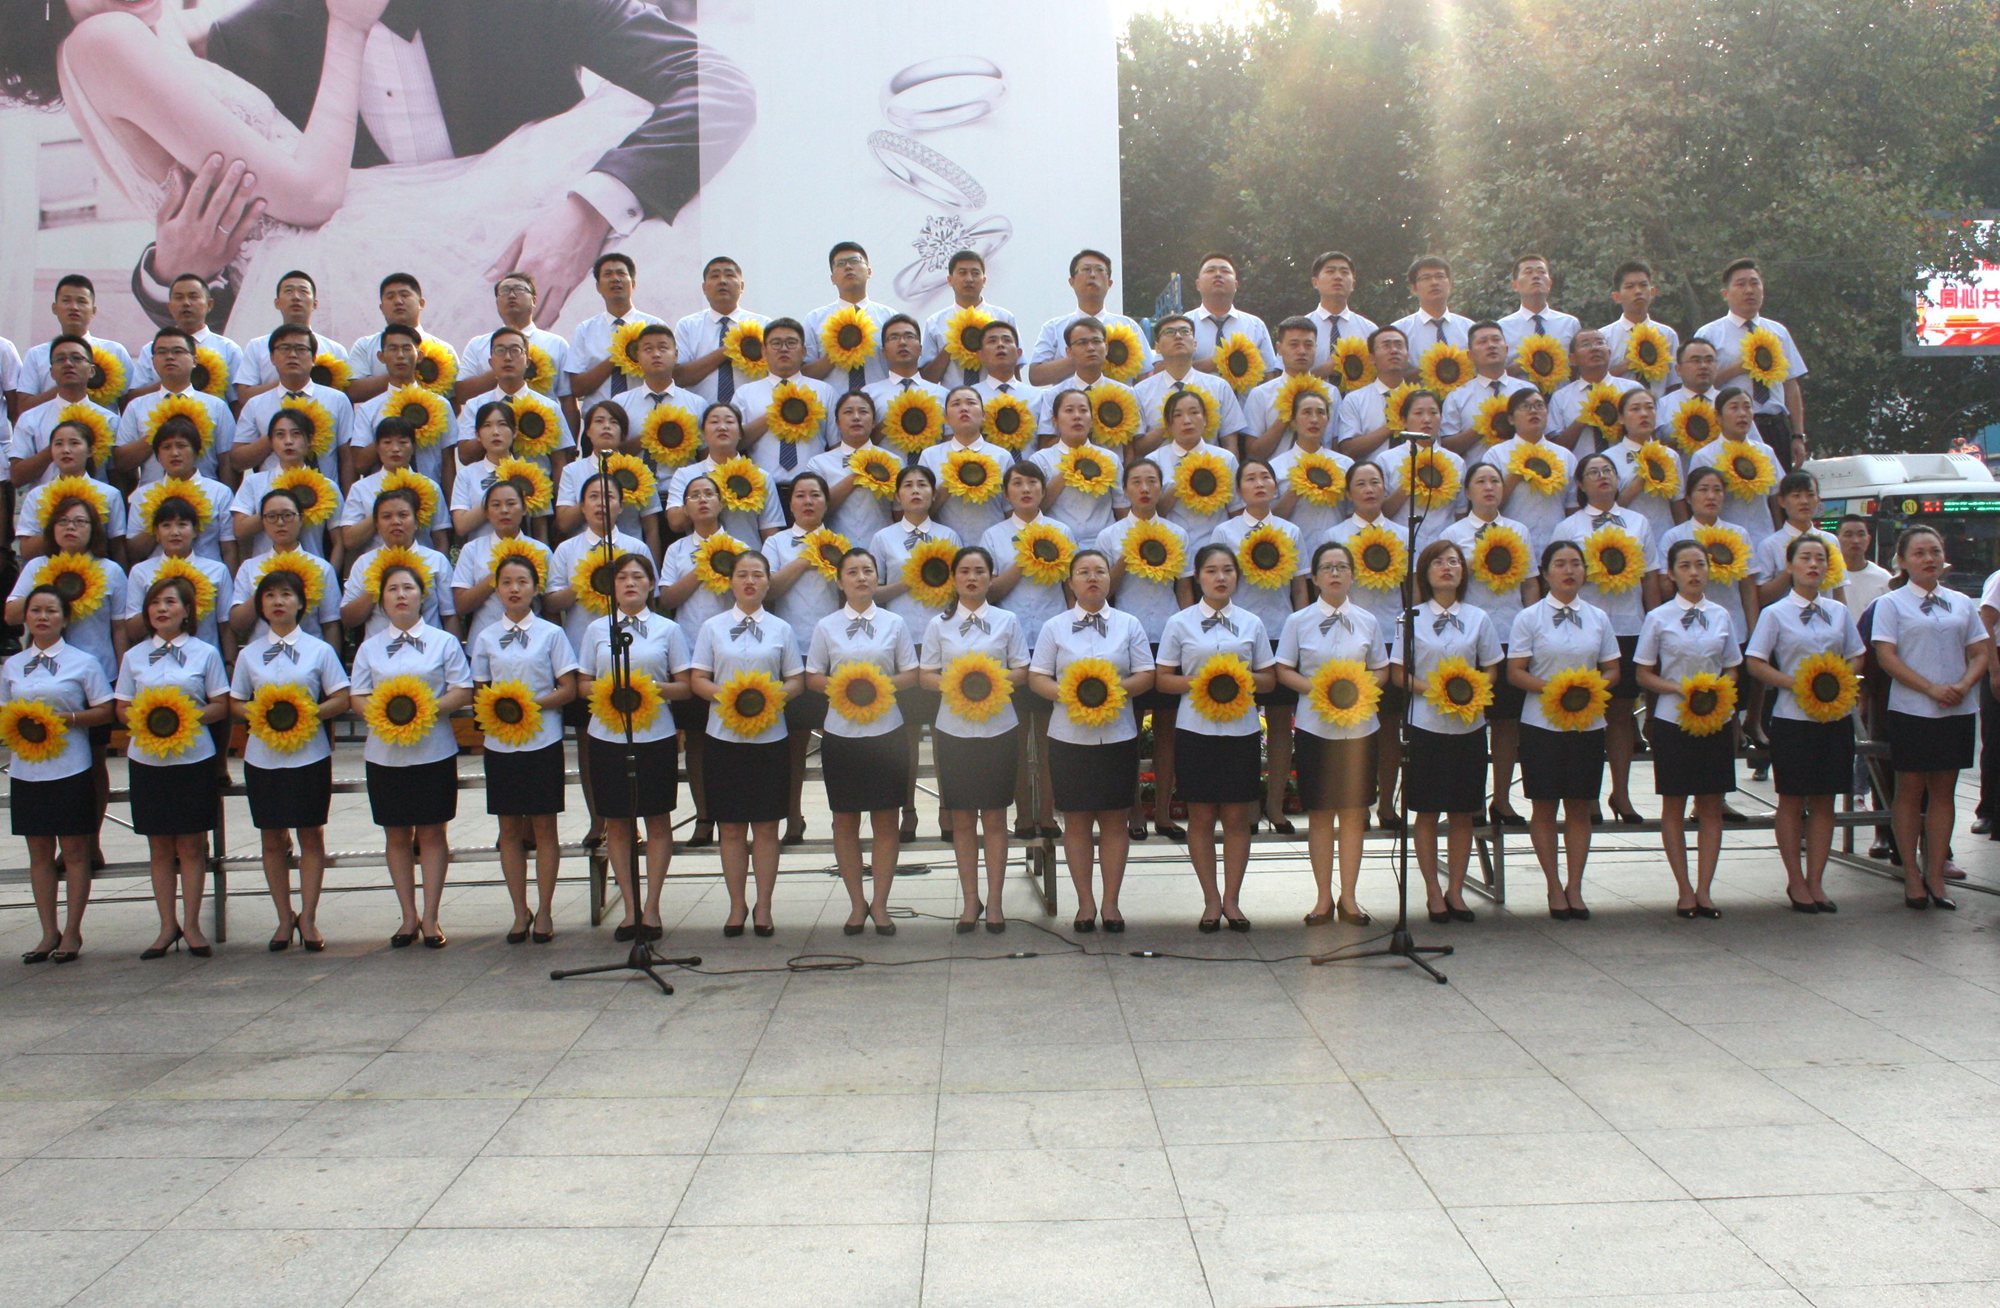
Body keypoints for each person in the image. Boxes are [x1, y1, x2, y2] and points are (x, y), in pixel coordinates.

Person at [350, 562, 474, 948]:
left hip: (433, 750)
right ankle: (408, 916)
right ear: (381, 600)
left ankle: (432, 917)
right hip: (385, 755)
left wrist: (424, 709)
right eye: (392, 589)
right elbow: (358, 695)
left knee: (433, 831)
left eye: (408, 588)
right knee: (396, 833)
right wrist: (384, 714)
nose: (401, 595)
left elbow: (462, 689)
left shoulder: (443, 642)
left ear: (423, 597)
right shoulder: (370, 647)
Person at [1030, 550, 1154, 931]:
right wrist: (1072, 695)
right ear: (1070, 582)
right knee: (1077, 821)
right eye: (1083, 572)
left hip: (1117, 735)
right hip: (1069, 737)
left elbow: (1146, 673)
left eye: (1100, 571)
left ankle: (1111, 904)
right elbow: (1038, 677)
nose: (1092, 578)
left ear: (1110, 580)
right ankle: (1085, 904)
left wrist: (1109, 692)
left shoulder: (1129, 624)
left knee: (1115, 820)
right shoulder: (1055, 627)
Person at [1155, 543, 1276, 932]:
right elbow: (1163, 679)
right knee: (1202, 816)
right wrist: (1202, 681)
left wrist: (1240, 677)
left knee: (1238, 816)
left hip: (1241, 730)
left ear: (1237, 576)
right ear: (1198, 577)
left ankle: (1233, 900)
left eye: (1227, 570)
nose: (1220, 577)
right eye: (1211, 571)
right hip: (1196, 729)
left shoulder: (1252, 623)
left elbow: (1269, 679)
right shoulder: (1180, 623)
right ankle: (1210, 900)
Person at [8, 491, 131, 865]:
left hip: (98, 674)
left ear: (94, 529)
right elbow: (12, 614)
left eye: (80, 522)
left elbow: (120, 628)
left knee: (94, 759)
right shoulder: (37, 566)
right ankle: (53, 839)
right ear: (51, 528)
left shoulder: (110, 570)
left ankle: (89, 840)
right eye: (63, 521)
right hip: (43, 678)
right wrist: (50, 592)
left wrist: (123, 677)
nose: (71, 528)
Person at [230, 569, 349, 951]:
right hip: (263, 758)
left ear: (301, 603)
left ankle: (309, 918)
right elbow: (235, 701)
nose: (278, 602)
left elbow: (341, 697)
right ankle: (284, 918)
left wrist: (308, 714)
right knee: (271, 838)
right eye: (269, 596)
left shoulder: (319, 650)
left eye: (285, 594)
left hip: (309, 755)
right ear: (260, 606)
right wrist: (260, 714)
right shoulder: (249, 654)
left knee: (310, 835)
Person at [1871, 526, 1987, 911]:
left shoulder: (1960, 602)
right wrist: (1930, 688)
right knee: (1909, 788)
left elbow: (1980, 651)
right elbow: (1886, 657)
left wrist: (1963, 684)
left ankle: (1936, 874)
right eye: (1919, 553)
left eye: (1935, 551)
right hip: (1912, 708)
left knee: (1943, 791)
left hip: (1956, 707)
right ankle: (1911, 875)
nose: (1929, 559)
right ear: (1903, 561)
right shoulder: (1891, 604)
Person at [1745, 534, 1864, 910]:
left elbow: (1857, 654)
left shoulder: (1838, 611)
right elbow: (1756, 661)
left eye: (1820, 559)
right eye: (1806, 558)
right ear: (1791, 566)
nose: (1813, 565)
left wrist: (1840, 678)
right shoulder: (1775, 613)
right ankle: (1795, 880)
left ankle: (1816, 880)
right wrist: (1793, 683)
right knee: (1792, 799)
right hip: (1793, 717)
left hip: (1835, 716)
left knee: (1826, 799)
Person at [580, 552, 691, 944]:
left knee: (657, 819)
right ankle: (629, 909)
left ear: (651, 584)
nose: (629, 583)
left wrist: (648, 689)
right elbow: (583, 683)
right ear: (611, 586)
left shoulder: (667, 629)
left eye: (638, 576)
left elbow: (685, 685)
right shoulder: (597, 629)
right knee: (617, 820)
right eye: (622, 577)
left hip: (655, 734)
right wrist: (612, 690)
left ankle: (652, 907)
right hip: (608, 735)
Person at [692, 552, 804, 937]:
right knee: (732, 827)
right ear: (731, 582)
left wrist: (769, 698)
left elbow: (796, 680)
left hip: (769, 738)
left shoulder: (781, 629)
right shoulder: (712, 627)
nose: (750, 581)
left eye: (758, 575)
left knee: (767, 826)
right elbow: (698, 678)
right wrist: (729, 698)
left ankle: (765, 905)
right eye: (743, 575)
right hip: (724, 738)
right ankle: (737, 904)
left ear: (768, 583)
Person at [117, 576, 230, 959]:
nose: (161, 609)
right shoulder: (134, 657)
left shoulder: (205, 653)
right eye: (155, 603)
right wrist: (146, 717)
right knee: (160, 846)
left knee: (192, 845)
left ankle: (193, 925)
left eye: (170, 602)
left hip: (193, 758)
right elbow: (121, 706)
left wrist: (186, 716)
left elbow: (220, 704)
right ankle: (167, 926)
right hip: (148, 761)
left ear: (187, 611)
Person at [1277, 542, 1388, 925]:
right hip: (1316, 728)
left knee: (1354, 813)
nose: (1335, 573)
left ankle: (1350, 898)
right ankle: (1323, 898)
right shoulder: (1298, 621)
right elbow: (1284, 669)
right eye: (1327, 567)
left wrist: (1359, 688)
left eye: (1342, 567)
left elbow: (1382, 668)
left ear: (1353, 575)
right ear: (1314, 578)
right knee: (1321, 813)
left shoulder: (1368, 620)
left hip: (1360, 729)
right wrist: (1320, 690)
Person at [809, 549, 920, 934]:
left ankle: (881, 904)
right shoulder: (826, 626)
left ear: (876, 579)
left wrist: (876, 686)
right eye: (853, 572)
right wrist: (845, 687)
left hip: (886, 732)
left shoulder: (894, 623)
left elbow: (911, 673)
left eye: (868, 571)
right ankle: (857, 904)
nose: (861, 578)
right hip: (841, 733)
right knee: (845, 820)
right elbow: (812, 676)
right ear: (840, 581)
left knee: (886, 819)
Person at [3, 586, 116, 965]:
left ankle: (71, 931)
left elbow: (104, 710)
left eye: (51, 611)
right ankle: (47, 930)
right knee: (38, 852)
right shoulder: (13, 665)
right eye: (35, 610)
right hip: (27, 769)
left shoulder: (83, 662)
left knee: (74, 851)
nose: (42, 617)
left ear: (65, 619)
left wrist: (67, 719)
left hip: (71, 766)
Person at [1509, 539, 1620, 920]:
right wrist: (1554, 690)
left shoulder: (1598, 617)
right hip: (1541, 723)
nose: (1569, 570)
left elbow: (1612, 668)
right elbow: (1516, 671)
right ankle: (1553, 886)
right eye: (1560, 564)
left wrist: (1589, 689)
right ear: (1544, 573)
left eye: (1575, 563)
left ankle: (1575, 885)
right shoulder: (1529, 618)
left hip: (1588, 722)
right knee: (1544, 805)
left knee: (1579, 805)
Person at [471, 552, 579, 944]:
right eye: (506, 582)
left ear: (535, 588)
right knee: (508, 828)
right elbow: (480, 690)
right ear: (496, 589)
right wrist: (503, 711)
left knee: (545, 826)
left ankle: (545, 909)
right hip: (501, 744)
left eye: (522, 582)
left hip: (542, 740)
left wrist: (530, 706)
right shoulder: (486, 637)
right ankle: (520, 910)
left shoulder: (551, 634)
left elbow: (568, 688)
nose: (514, 589)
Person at [922, 547, 1030, 932]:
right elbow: (925, 675)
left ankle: (996, 902)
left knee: (996, 816)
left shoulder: (1007, 621)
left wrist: (990, 681)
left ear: (990, 578)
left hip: (999, 727)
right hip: (953, 729)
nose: (972, 578)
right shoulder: (938, 624)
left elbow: (1022, 670)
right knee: (963, 818)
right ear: (953, 578)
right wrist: (958, 684)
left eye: (980, 571)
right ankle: (971, 900)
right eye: (965, 571)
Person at [1396, 541, 1502, 924]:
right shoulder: (1410, 618)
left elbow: (1491, 667)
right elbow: (1399, 673)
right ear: (1425, 572)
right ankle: (1431, 890)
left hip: (1469, 726)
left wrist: (1470, 691)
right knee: (1426, 812)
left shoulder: (1478, 618)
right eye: (1438, 562)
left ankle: (1455, 890)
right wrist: (1437, 691)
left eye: (1454, 561)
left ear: (1463, 572)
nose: (1447, 567)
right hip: (1425, 725)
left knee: (1462, 812)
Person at [1635, 540, 1743, 919]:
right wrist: (1677, 688)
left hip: (1715, 719)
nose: (1694, 572)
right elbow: (1643, 672)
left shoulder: (1722, 615)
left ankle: (1705, 889)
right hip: (1673, 719)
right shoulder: (1658, 618)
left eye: (1700, 564)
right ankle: (1683, 888)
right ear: (1671, 574)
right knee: (1674, 803)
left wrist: (1719, 691)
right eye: (1685, 566)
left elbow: (1732, 665)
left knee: (1711, 804)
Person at [1552, 451, 1660, 823]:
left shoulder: (1638, 522)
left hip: (1629, 625)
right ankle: (1589, 794)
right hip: (1585, 630)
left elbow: (1650, 577)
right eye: (1594, 472)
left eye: (1608, 471)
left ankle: (1622, 793)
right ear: (1580, 485)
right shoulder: (1569, 527)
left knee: (1621, 713)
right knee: (1587, 712)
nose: (1603, 476)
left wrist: (1653, 623)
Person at [1096, 459, 1194, 840]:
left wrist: (1191, 634)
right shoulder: (1110, 535)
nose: (1145, 488)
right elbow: (1105, 590)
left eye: (1152, 481)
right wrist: (1129, 552)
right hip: (1127, 636)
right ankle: (1134, 809)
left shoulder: (1177, 533)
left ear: (1160, 487)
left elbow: (1184, 588)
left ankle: (1165, 812)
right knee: (1131, 728)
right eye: (1136, 481)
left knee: (1168, 728)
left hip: (1169, 633)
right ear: (1125, 490)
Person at [1210, 459, 1307, 832]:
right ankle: (1247, 805)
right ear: (1239, 490)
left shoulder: (1291, 531)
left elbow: (1299, 587)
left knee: (1282, 721)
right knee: (1244, 722)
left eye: (1266, 477)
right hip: (1240, 635)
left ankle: (1276, 804)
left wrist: (1302, 630)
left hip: (1282, 630)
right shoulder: (1225, 531)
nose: (1259, 483)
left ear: (1275, 486)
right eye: (1250, 478)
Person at [1440, 461, 1539, 822]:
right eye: (1480, 481)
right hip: (1470, 637)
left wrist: (1532, 627)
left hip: (1512, 632)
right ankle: (1473, 800)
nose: (1489, 487)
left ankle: (1501, 798)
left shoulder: (1518, 530)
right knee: (1471, 718)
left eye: (1495, 481)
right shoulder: (1454, 533)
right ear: (1467, 492)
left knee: (1506, 722)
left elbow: (1530, 583)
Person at [984, 462, 1075, 839]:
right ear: (1006, 493)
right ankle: (1023, 814)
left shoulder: (1061, 531)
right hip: (1013, 642)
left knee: (1052, 737)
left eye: (1033, 482)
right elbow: (991, 592)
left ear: (1043, 489)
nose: (1025, 489)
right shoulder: (993, 535)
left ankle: (1049, 814)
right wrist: (1027, 557)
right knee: (1019, 737)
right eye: (1017, 483)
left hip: (1055, 641)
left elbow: (1070, 588)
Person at [655, 474, 739, 848]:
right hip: (690, 653)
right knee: (697, 739)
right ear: (685, 507)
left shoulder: (739, 547)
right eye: (694, 495)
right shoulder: (676, 550)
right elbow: (668, 599)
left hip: (732, 654)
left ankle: (734, 813)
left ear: (722, 502)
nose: (702, 500)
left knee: (734, 736)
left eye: (709, 493)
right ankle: (704, 816)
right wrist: (704, 566)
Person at [1326, 461, 1407, 828]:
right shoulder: (1336, 536)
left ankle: (1387, 804)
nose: (1369, 489)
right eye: (1361, 483)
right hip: (1349, 642)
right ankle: (1354, 803)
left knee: (1389, 727)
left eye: (1376, 482)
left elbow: (1412, 590)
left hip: (1391, 637)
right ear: (1348, 493)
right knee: (1350, 726)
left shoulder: (1403, 535)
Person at [766, 473, 844, 845]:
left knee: (838, 742)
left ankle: (841, 819)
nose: (808, 501)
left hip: (833, 653)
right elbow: (769, 590)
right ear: (791, 503)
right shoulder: (776, 543)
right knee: (794, 743)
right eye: (800, 495)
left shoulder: (840, 544)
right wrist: (806, 558)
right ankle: (793, 817)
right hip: (793, 651)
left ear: (826, 502)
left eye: (815, 494)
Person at [1694, 257, 1810, 471]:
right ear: (1725, 293)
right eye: (1741, 284)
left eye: (1754, 283)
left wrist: (1797, 435)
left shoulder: (1778, 332)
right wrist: (1739, 368)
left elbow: (1791, 386)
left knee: (1779, 487)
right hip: (1733, 429)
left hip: (1775, 425)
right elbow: (1699, 386)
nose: (1749, 290)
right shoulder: (1709, 334)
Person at [113, 328, 239, 481]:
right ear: (153, 361)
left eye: (178, 351)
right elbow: (122, 463)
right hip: (153, 493)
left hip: (204, 493)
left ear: (194, 360)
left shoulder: (216, 407)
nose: (169, 357)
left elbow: (228, 461)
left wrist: (225, 494)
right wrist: (159, 433)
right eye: (162, 352)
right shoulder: (137, 406)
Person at [232, 325, 353, 483]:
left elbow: (347, 458)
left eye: (301, 349)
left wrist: (346, 497)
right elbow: (237, 461)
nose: (292, 355)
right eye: (284, 348)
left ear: (314, 358)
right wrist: (277, 435)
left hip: (324, 494)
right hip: (271, 494)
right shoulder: (255, 404)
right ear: (272, 357)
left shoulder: (337, 400)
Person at [733, 317, 839, 491]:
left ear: (803, 351)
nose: (783, 348)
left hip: (812, 491)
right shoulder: (745, 394)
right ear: (764, 351)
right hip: (763, 490)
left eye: (791, 343)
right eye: (776, 343)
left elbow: (836, 446)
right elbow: (735, 444)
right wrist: (779, 413)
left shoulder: (824, 391)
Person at [124, 494, 235, 656]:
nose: (174, 532)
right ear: (156, 533)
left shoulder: (217, 570)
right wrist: (160, 604)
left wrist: (230, 662)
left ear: (195, 530)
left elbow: (225, 625)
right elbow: (132, 630)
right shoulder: (141, 572)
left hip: (203, 659)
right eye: (166, 525)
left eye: (182, 525)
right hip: (155, 659)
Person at [228, 489, 342, 645]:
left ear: (301, 519)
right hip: (262, 653)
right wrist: (265, 589)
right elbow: (237, 623)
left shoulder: (322, 568)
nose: (280, 522)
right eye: (272, 516)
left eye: (287, 515)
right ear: (263, 522)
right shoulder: (249, 567)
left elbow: (330, 624)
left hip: (308, 654)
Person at [1028, 249, 1156, 386]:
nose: (1093, 275)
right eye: (1086, 269)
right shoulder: (1053, 327)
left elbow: (1145, 375)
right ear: (1071, 281)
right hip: (1070, 399)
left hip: (1117, 399)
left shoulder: (1129, 327)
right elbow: (1036, 376)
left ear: (1109, 283)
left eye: (1100, 270)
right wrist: (1079, 358)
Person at [340, 488, 457, 637]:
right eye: (386, 516)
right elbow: (348, 618)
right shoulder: (364, 563)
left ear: (416, 522)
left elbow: (449, 615)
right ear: (377, 525)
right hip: (379, 649)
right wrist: (377, 587)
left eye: (403, 515)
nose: (395, 522)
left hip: (429, 648)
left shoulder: (436, 560)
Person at [664, 402, 785, 544]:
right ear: (703, 434)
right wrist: (704, 498)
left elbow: (769, 532)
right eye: (714, 422)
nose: (722, 427)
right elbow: (675, 523)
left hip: (748, 556)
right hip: (701, 555)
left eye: (729, 421)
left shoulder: (760, 477)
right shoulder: (686, 475)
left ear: (740, 433)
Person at [124, 416, 234, 570]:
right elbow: (134, 551)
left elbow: (229, 548)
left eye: (182, 446)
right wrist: (161, 521)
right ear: (158, 456)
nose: (174, 453)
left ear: (196, 452)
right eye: (166, 447)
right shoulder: (143, 495)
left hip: (207, 575)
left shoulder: (219, 492)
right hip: (159, 576)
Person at [9, 334, 118, 489]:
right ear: (52, 372)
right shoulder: (31, 418)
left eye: (77, 358)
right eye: (60, 359)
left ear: (91, 371)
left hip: (96, 501)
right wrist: (57, 446)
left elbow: (120, 475)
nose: (68, 364)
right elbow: (16, 477)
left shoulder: (110, 420)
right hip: (45, 501)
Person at [1132, 313, 1248, 458]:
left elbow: (1230, 444)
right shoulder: (1140, 392)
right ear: (1158, 348)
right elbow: (1138, 449)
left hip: (1209, 469)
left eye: (1185, 331)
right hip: (1160, 470)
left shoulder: (1219, 387)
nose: (1178, 336)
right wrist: (1172, 422)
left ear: (1195, 344)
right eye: (1169, 332)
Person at [15, 417, 129, 561]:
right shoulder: (37, 495)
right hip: (49, 568)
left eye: (74, 443)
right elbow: (26, 551)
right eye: (58, 444)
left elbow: (117, 547)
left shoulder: (109, 494)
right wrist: (58, 525)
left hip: (95, 569)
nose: (66, 450)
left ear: (90, 450)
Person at [557, 401, 660, 554]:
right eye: (599, 421)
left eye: (614, 422)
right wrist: (596, 495)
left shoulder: (640, 471)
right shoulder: (572, 470)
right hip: (584, 556)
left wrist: (651, 566)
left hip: (629, 555)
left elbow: (651, 529)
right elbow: (564, 524)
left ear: (623, 434)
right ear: (588, 431)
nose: (606, 426)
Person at [1488, 387, 1579, 558]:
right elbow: (1488, 506)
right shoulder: (1496, 455)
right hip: (1513, 549)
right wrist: (1517, 473)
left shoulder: (1565, 456)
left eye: (1539, 405)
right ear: (1511, 419)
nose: (1533, 411)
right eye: (1525, 406)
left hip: (1557, 549)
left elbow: (1572, 507)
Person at [238, 408, 340, 561]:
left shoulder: (326, 486)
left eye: (296, 434)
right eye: (280, 435)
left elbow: (339, 542)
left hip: (313, 570)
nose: (288, 441)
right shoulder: (254, 482)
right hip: (265, 569)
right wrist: (277, 508)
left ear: (309, 440)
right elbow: (239, 530)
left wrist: (328, 571)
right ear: (271, 442)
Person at [456, 271, 571, 404]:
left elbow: (568, 399)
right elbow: (462, 394)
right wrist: (503, 368)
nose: (511, 295)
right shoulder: (477, 345)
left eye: (519, 289)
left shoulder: (556, 344)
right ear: (497, 302)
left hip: (541, 416)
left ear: (534, 300)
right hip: (491, 416)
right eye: (504, 291)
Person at [569, 253, 665, 410]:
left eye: (621, 273)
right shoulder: (585, 330)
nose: (615, 279)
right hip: (600, 419)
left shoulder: (654, 326)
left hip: (645, 417)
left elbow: (668, 375)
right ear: (598, 287)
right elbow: (577, 388)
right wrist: (619, 355)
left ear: (633, 283)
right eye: (608, 274)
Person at [1031, 387, 1124, 545]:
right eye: (1069, 410)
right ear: (1055, 420)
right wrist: (1070, 468)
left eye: (1083, 410)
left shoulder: (1109, 458)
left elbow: (1121, 507)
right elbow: (1036, 508)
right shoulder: (1040, 460)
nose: (1077, 416)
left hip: (1102, 545)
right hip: (1059, 545)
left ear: (1092, 419)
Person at [923, 385, 1015, 542]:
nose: (964, 408)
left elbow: (1010, 508)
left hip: (992, 543)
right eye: (956, 404)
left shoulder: (1002, 456)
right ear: (946, 418)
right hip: (945, 545)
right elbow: (921, 512)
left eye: (971, 403)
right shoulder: (930, 456)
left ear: (984, 415)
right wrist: (953, 478)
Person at [1150, 388, 1240, 549]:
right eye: (1178, 415)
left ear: (1205, 419)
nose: (1187, 420)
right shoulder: (1153, 462)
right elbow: (1151, 514)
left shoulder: (1226, 459)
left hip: (1217, 549)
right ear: (1168, 425)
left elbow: (1237, 510)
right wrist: (1182, 481)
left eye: (1194, 412)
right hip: (1172, 549)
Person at [803, 242, 899, 391]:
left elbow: (904, 368)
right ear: (832, 278)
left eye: (854, 261)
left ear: (869, 271)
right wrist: (837, 351)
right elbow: (803, 374)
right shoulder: (814, 320)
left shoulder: (890, 318)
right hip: (834, 402)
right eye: (840, 263)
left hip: (880, 402)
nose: (848, 267)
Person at [805, 392, 896, 546]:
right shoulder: (819, 464)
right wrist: (856, 476)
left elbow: (900, 511)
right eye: (848, 412)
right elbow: (814, 509)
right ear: (837, 422)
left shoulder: (893, 461)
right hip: (835, 550)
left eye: (863, 412)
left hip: (881, 547)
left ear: (874, 422)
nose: (856, 417)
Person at [673, 254, 767, 404]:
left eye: (729, 275)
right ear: (704, 288)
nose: (722, 281)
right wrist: (727, 350)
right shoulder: (688, 326)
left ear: (742, 286)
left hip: (752, 410)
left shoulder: (763, 325)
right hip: (702, 413)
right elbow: (679, 377)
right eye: (715, 276)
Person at [919, 249, 1017, 387]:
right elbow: (926, 380)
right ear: (950, 280)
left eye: (975, 273)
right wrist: (950, 348)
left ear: (984, 280)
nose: (969, 279)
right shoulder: (935, 323)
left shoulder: (1004, 318)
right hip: (951, 398)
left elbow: (1015, 370)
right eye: (962, 273)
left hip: (996, 397)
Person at [1439, 320, 1534, 456]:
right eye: (1482, 342)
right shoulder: (1457, 397)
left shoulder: (1527, 391)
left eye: (1496, 340)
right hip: (1476, 469)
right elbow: (1447, 448)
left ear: (1506, 349)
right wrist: (1486, 424)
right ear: (1470, 355)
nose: (1491, 345)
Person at [1544, 329, 1642, 458]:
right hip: (1580, 467)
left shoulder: (1632, 390)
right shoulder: (1561, 397)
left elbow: (1646, 433)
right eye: (1585, 344)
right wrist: (1582, 420)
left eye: (1600, 342)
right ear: (1572, 359)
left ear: (1609, 353)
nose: (1595, 348)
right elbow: (1555, 448)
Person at [1602, 389, 1683, 544]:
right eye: (1635, 409)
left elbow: (1678, 503)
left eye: (1649, 407)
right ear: (1621, 418)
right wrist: (1642, 478)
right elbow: (1607, 509)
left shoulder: (1670, 456)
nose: (1644, 414)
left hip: (1665, 538)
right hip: (1627, 540)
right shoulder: (1608, 458)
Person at [1188, 252, 1279, 378]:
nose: (1218, 274)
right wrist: (1215, 362)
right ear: (1198, 284)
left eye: (1225, 271)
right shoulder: (1183, 325)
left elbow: (1269, 375)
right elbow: (1165, 371)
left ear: (1236, 285)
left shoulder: (1256, 326)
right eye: (1210, 270)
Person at [1600, 260, 1681, 395]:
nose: (1638, 291)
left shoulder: (1667, 335)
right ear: (1616, 297)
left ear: (1653, 292)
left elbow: (1675, 383)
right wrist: (1625, 365)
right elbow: (1596, 382)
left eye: (1643, 285)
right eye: (1630, 286)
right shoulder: (1603, 337)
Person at [1334, 326, 1412, 463]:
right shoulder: (1355, 399)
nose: (1394, 350)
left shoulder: (1421, 399)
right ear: (1371, 358)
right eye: (1386, 345)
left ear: (1408, 355)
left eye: (1399, 345)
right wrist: (1393, 424)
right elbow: (1348, 449)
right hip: (1370, 474)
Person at [1303, 249, 1379, 380]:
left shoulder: (1369, 330)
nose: (1338, 277)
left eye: (1344, 272)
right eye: (1330, 271)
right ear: (1315, 282)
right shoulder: (1300, 329)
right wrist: (1325, 370)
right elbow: (1284, 379)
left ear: (1353, 284)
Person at [1497, 253, 1582, 358]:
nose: (1536, 276)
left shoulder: (1570, 324)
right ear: (1515, 285)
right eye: (1528, 272)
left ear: (1549, 284)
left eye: (1542, 272)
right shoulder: (1502, 328)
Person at [1391, 255, 1474, 355]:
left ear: (1450, 284)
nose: (1434, 282)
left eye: (1440, 276)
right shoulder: (1399, 331)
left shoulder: (1469, 329)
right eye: (1426, 278)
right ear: (1414, 288)